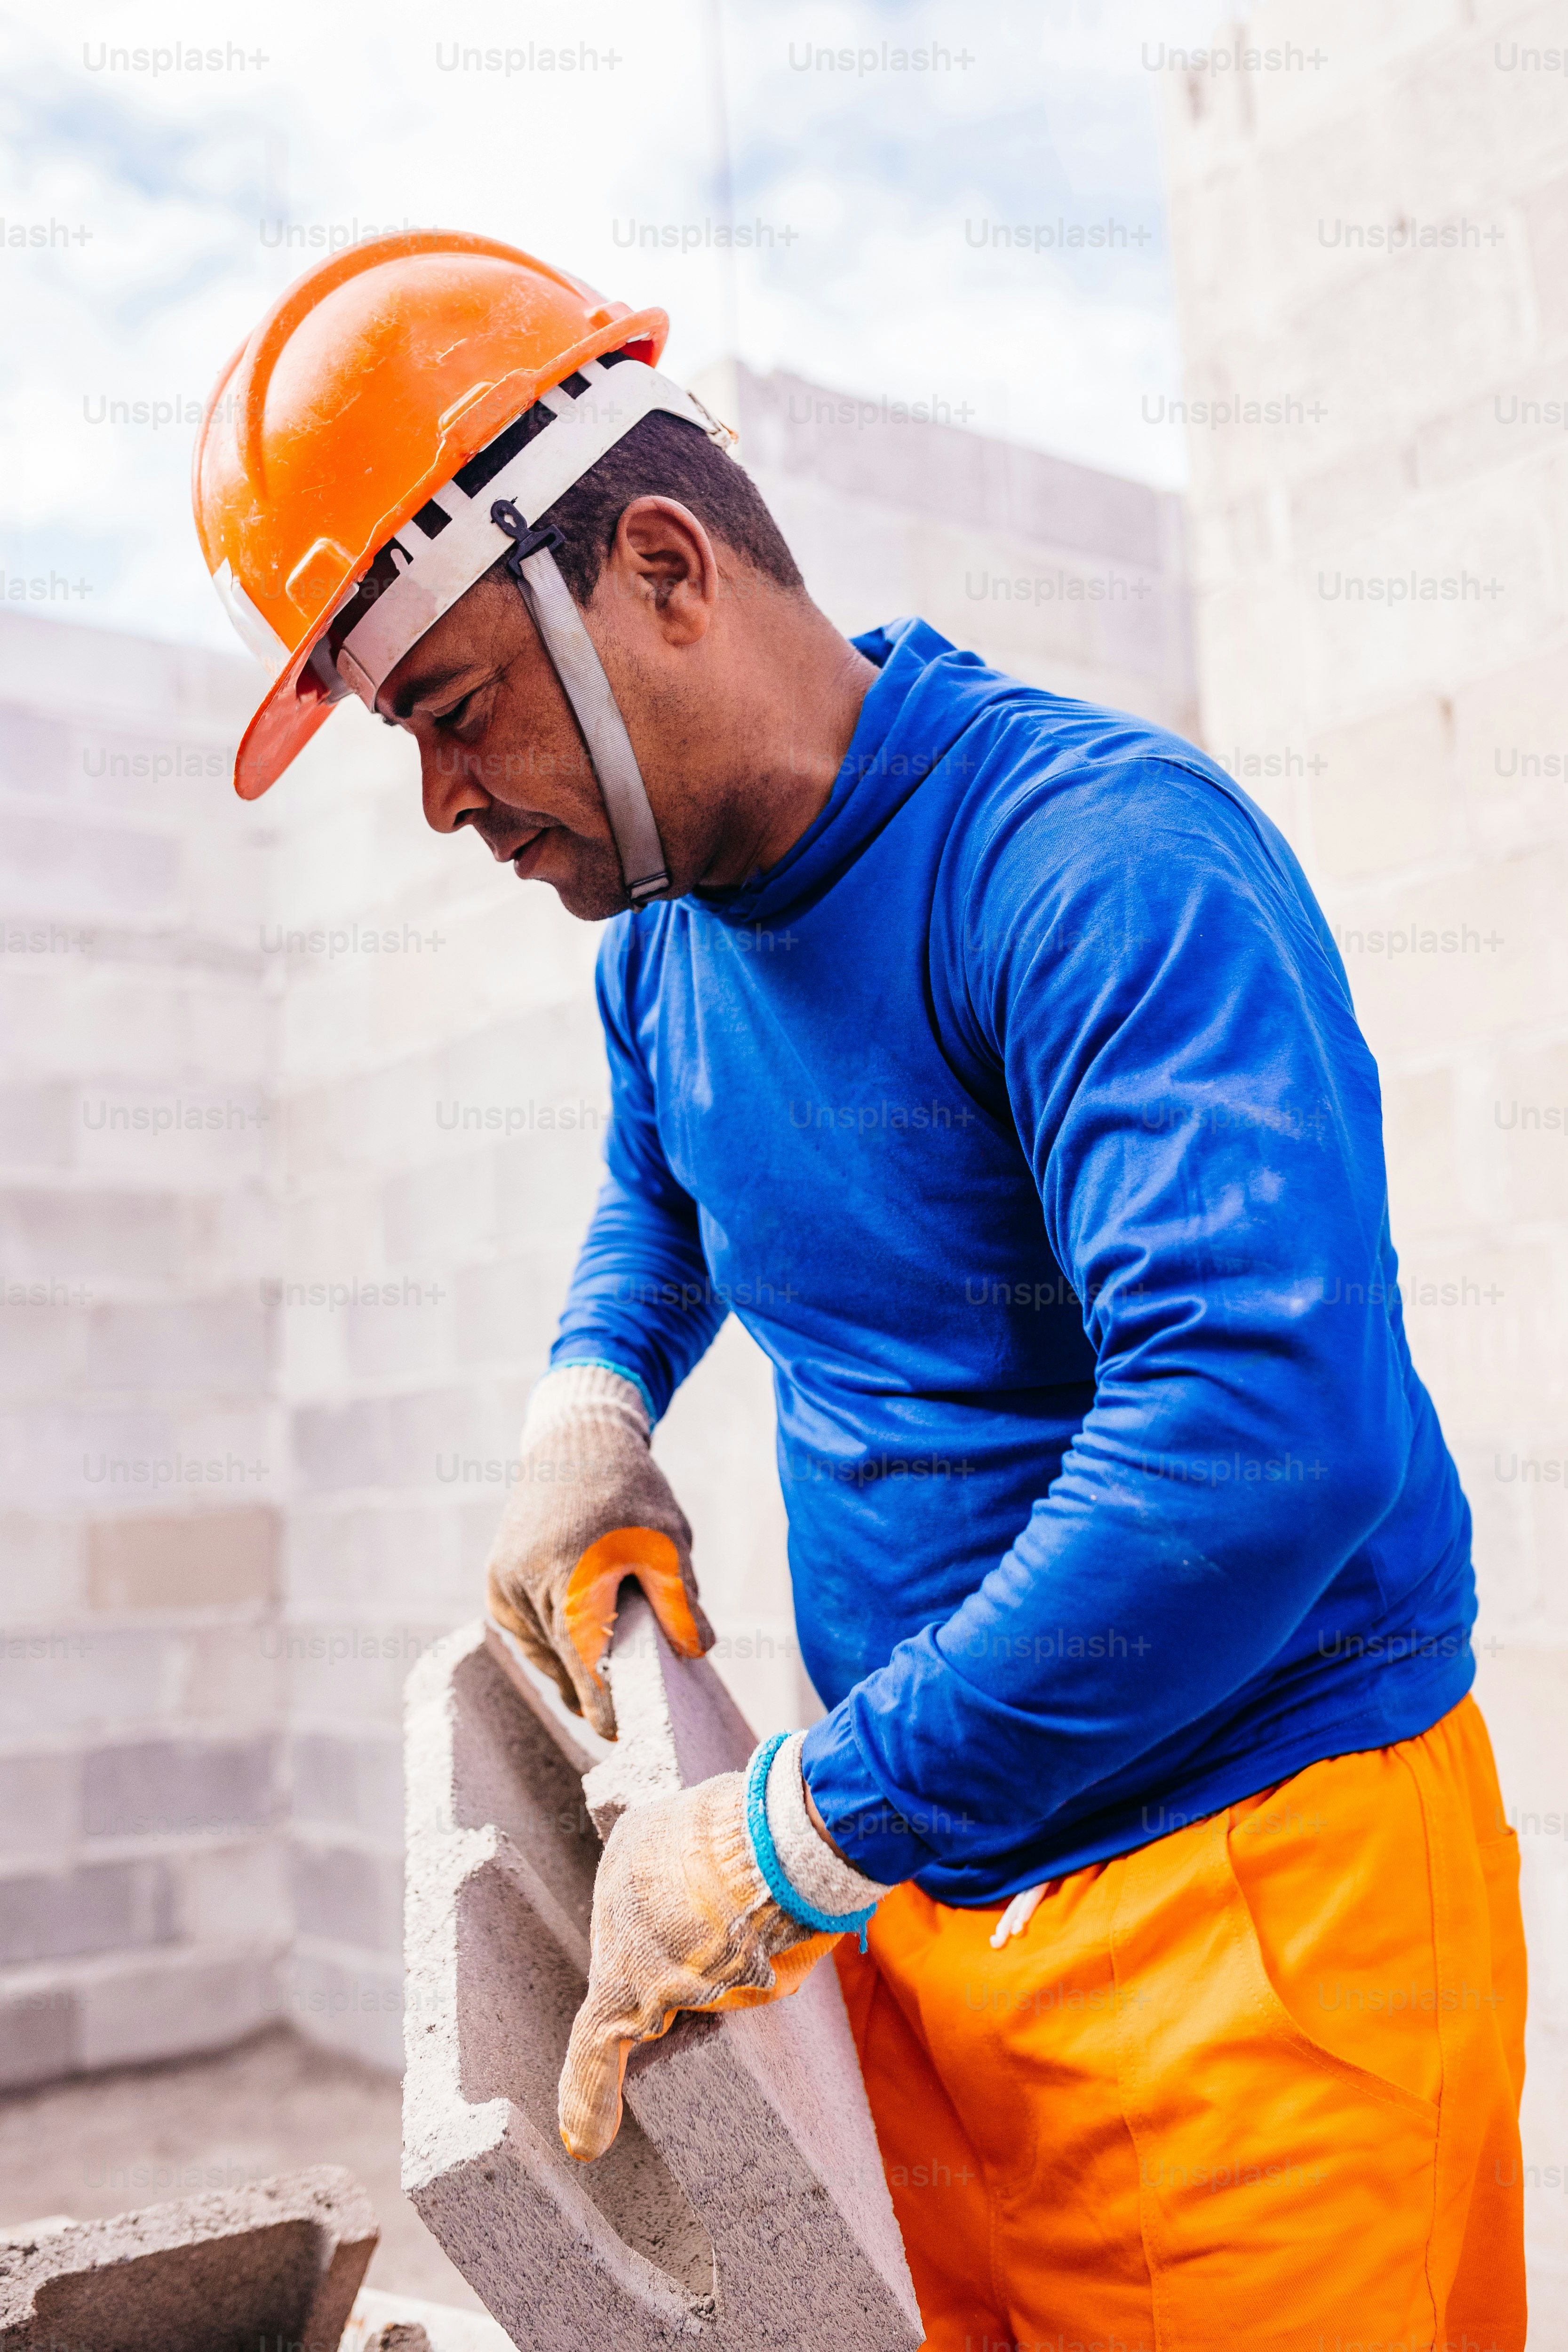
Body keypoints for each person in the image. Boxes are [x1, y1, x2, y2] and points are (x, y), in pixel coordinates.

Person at [197, 230, 1528, 2351]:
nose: (444, 800)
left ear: (659, 564)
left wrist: (799, 1827)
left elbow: (1256, 1441)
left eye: (453, 711)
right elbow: (668, 1168)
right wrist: (594, 1397)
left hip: (1251, 1916)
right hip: (930, 1875)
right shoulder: (666, 931)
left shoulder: (1093, 868)